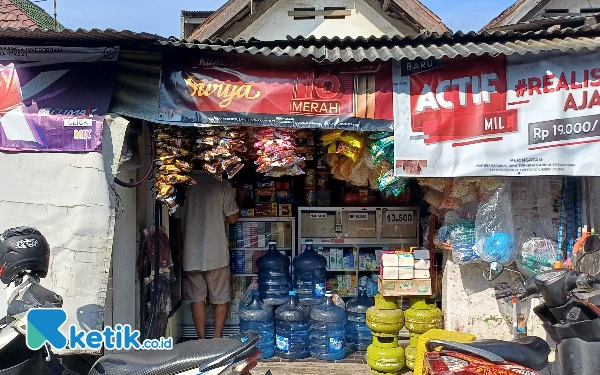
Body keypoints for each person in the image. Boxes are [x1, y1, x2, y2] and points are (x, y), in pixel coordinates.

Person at [181, 164, 239, 339]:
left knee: (197, 297)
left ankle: (201, 339)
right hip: (216, 253)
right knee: (220, 297)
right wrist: (240, 198)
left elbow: (176, 218)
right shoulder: (222, 184)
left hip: (191, 253)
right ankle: (216, 338)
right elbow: (233, 218)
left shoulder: (184, 183)